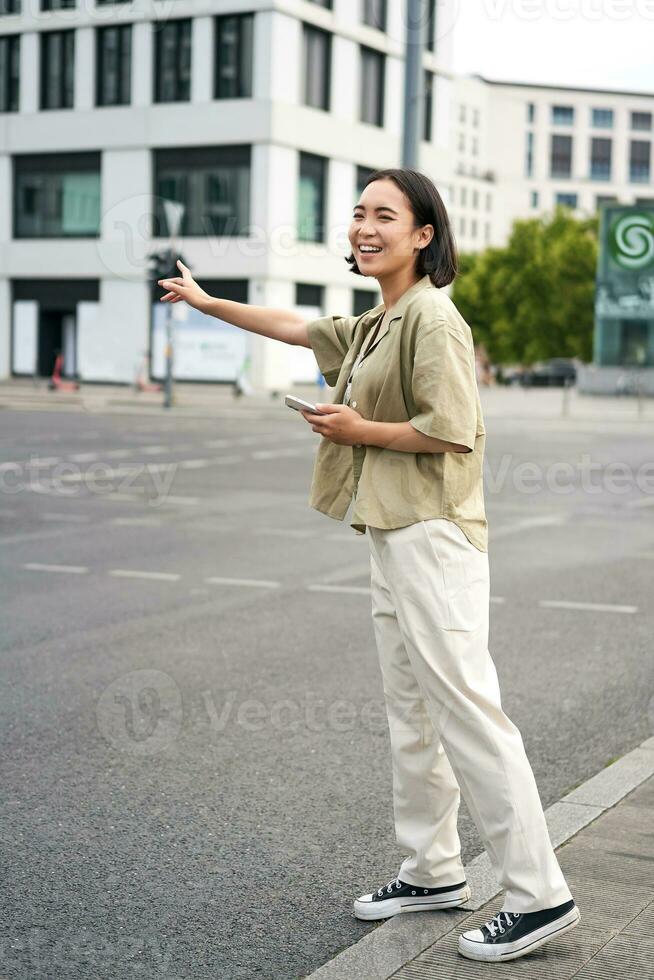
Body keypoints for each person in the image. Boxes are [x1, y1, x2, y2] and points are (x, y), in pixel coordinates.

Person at [158, 167, 580, 964]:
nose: (363, 224)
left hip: (435, 535)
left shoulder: (432, 318)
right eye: (358, 213)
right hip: (391, 533)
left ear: (424, 236)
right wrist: (209, 302)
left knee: (467, 714)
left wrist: (359, 430)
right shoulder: (381, 319)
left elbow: (450, 429)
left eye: (383, 214)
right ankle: (433, 871)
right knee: (413, 716)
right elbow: (295, 328)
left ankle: (540, 894)